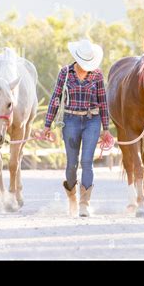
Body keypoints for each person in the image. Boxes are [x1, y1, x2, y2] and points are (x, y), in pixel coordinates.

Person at [43, 39, 110, 217]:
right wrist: (47, 125)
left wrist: (106, 128)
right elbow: (55, 99)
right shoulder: (65, 73)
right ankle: (72, 198)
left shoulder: (97, 75)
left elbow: (103, 102)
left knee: (87, 162)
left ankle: (84, 203)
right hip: (70, 120)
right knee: (72, 163)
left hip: (92, 121)